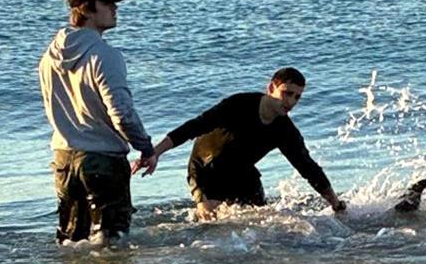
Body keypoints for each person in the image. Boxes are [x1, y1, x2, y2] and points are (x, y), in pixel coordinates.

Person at [134, 67, 346, 219]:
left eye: (297, 97)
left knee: (265, 223)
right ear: (271, 87)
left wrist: (336, 204)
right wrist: (156, 152)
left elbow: (308, 167)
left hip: (244, 176)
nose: (290, 102)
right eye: (287, 93)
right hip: (206, 170)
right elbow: (194, 127)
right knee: (209, 223)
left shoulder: (285, 130)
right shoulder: (239, 105)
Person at [39, 0, 156, 245]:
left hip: (63, 160)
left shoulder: (48, 57)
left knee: (71, 243)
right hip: (102, 160)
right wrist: (145, 148)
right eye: (107, 3)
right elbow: (122, 113)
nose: (115, 8)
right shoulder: (105, 55)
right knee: (112, 247)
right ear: (87, 8)